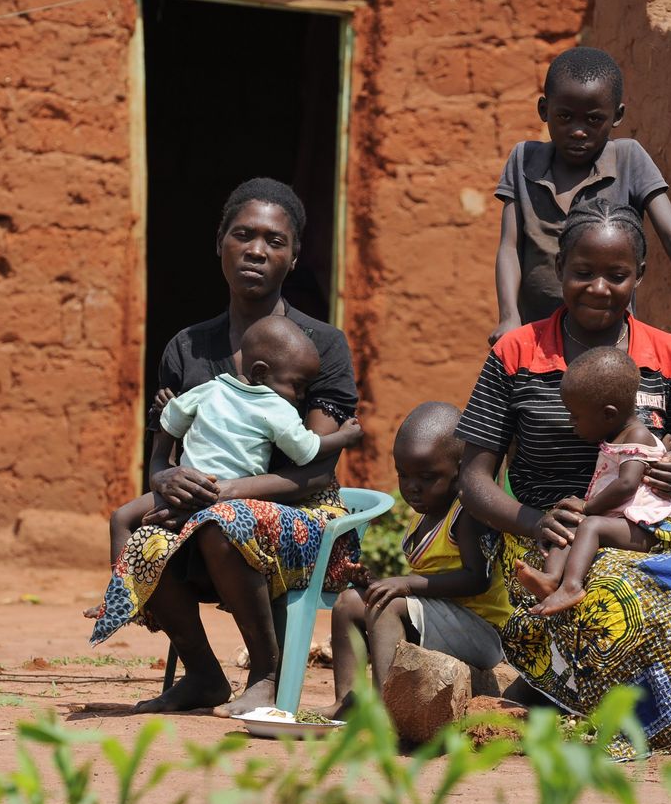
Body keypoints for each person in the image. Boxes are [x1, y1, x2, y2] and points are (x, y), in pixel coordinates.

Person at [458, 196, 671, 758]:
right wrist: (536, 519)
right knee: (615, 591)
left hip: (645, 528)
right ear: (558, 271)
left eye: (616, 275)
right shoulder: (516, 353)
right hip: (544, 536)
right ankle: (597, 723)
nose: (598, 288)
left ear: (639, 275)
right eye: (582, 273)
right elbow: (474, 478)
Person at [86, 177, 361, 718]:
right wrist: (163, 478)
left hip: (301, 524)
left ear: (294, 256)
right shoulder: (187, 348)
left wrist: (229, 494)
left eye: (275, 241)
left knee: (221, 525)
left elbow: (315, 471)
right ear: (220, 243)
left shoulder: (319, 347)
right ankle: (204, 677)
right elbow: (161, 456)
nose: (257, 250)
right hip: (206, 513)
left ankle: (266, 672)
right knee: (146, 541)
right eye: (244, 235)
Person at [488, 46, 671, 348]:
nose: (578, 131)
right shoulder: (523, 160)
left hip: (610, 340)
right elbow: (509, 246)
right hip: (537, 340)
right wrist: (509, 317)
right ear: (544, 110)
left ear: (617, 116)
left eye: (593, 120)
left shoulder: (629, 159)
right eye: (565, 117)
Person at [107, 315, 364, 562]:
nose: (300, 396)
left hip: (201, 496)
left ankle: (119, 597)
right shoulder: (277, 408)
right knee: (191, 528)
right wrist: (343, 437)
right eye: (297, 386)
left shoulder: (209, 389)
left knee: (122, 518)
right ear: (261, 373)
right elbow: (307, 449)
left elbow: (169, 421)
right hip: (211, 501)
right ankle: (120, 597)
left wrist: (167, 410)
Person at [322, 402, 511, 719]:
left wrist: (405, 584)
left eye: (427, 476)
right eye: (403, 474)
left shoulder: (466, 515)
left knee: (386, 604)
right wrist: (375, 583)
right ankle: (349, 701)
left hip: (480, 631)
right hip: (444, 619)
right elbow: (427, 583)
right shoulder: (423, 517)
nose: (412, 486)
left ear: (460, 469)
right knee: (348, 603)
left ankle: (387, 710)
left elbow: (476, 579)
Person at [515, 346, 671, 616]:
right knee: (569, 522)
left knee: (590, 524)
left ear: (608, 414)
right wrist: (580, 511)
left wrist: (587, 507)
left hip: (647, 528)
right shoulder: (618, 434)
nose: (571, 423)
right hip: (622, 520)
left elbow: (627, 484)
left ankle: (571, 586)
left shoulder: (637, 436)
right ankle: (550, 579)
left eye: (576, 416)